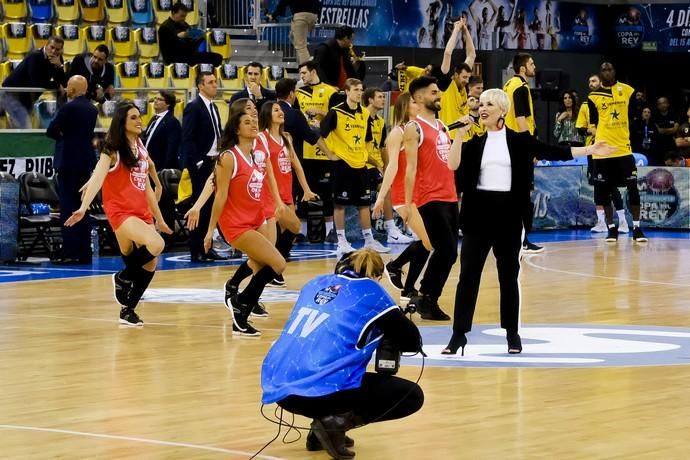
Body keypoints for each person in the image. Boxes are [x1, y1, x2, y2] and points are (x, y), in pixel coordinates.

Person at [443, 88, 615, 355]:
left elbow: (554, 151)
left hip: (509, 215)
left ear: (502, 110)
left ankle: (512, 333)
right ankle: (458, 334)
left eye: (489, 104)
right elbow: (453, 166)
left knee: (509, 276)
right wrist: (458, 135)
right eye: (480, 104)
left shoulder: (520, 140)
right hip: (478, 216)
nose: (482, 108)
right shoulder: (473, 143)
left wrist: (591, 148)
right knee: (467, 277)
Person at [261, 249, 424, 460]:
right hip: (317, 392)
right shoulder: (372, 293)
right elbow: (412, 342)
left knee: (336, 363)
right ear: (378, 277)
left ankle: (324, 426)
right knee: (411, 396)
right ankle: (332, 423)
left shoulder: (315, 283)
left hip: (279, 388)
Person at [64, 101, 173, 326]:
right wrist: (83, 208)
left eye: (139, 116)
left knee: (150, 264)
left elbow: (146, 187)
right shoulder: (111, 148)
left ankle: (128, 310)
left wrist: (159, 218)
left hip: (141, 210)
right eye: (133, 117)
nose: (139, 120)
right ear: (122, 122)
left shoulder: (141, 147)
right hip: (120, 210)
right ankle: (122, 277)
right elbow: (97, 179)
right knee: (157, 244)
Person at [205, 108, 287, 336]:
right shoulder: (228, 157)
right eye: (247, 122)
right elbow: (219, 196)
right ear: (236, 128)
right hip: (236, 224)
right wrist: (211, 230)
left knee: (261, 264)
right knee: (278, 264)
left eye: (254, 121)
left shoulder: (254, 156)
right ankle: (241, 304)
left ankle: (237, 297)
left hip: (256, 219)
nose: (253, 124)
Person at [403, 76, 458, 321]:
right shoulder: (413, 128)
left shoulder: (443, 125)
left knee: (450, 251)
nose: (439, 95)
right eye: (433, 92)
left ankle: (425, 297)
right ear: (418, 97)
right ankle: (426, 298)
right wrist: (407, 205)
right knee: (445, 248)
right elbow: (410, 168)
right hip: (429, 197)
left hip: (449, 195)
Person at [372, 92, 432, 304]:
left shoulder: (419, 131)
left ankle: (407, 289)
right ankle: (395, 266)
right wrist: (381, 197)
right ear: (405, 106)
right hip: (403, 195)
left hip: (421, 193)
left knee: (426, 242)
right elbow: (392, 166)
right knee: (428, 240)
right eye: (415, 102)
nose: (419, 105)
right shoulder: (397, 133)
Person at [320, 78, 390, 256]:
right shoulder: (335, 113)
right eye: (356, 90)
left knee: (363, 204)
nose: (359, 93)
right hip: (342, 164)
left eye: (361, 90)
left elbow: (367, 141)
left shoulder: (365, 114)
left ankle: (369, 240)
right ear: (347, 92)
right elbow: (319, 135)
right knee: (340, 205)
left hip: (361, 166)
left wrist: (375, 164)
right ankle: (341, 241)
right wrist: (330, 155)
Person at [588, 62, 647, 243]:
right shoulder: (593, 96)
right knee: (605, 191)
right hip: (603, 152)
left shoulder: (627, 90)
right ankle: (611, 229)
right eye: (604, 69)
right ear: (600, 73)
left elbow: (638, 110)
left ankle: (636, 228)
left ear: (615, 71)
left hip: (623, 149)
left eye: (610, 69)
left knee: (633, 188)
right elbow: (593, 123)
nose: (607, 72)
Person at [47, 75, 98, 265]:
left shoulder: (68, 107)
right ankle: (85, 252)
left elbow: (51, 130)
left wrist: (63, 134)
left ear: (74, 88)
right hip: (85, 162)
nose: (66, 87)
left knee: (68, 207)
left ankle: (70, 252)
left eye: (68, 84)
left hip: (68, 162)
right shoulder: (92, 109)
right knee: (82, 208)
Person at [181, 71, 228, 263]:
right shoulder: (193, 107)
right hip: (202, 164)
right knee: (199, 207)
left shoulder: (214, 107)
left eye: (215, 82)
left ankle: (207, 246)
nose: (214, 85)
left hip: (214, 161)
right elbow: (188, 137)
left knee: (211, 207)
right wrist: (197, 162)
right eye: (210, 82)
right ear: (200, 86)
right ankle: (196, 249)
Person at [576, 73, 626, 233]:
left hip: (612, 149)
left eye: (594, 80)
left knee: (612, 186)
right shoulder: (585, 105)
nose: (591, 83)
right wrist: (589, 130)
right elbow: (580, 128)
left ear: (602, 82)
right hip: (594, 150)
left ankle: (623, 222)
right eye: (589, 81)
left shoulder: (614, 102)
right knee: (598, 186)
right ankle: (602, 222)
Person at [503, 53, 543, 253]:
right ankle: (522, 241)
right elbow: (521, 119)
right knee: (523, 197)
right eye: (531, 64)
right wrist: (530, 147)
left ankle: (514, 239)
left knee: (513, 196)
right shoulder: (520, 87)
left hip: (508, 146)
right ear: (522, 68)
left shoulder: (508, 85)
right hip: (519, 149)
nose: (534, 67)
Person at [296, 61, 339, 243]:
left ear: (313, 72)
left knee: (327, 192)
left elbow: (336, 115)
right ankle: (302, 231)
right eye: (300, 74)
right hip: (305, 151)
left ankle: (331, 230)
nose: (302, 77)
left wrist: (320, 112)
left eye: (304, 73)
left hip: (325, 150)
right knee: (303, 191)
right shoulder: (298, 93)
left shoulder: (331, 92)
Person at [363, 86, 413, 245]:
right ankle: (391, 229)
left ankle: (403, 227)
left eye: (383, 97)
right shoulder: (362, 119)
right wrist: (378, 163)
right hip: (363, 163)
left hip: (377, 164)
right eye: (379, 97)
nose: (383, 100)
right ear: (370, 100)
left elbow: (383, 148)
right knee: (386, 190)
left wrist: (385, 165)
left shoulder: (380, 122)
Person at [1, 36, 65, 129]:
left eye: (57, 49)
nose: (54, 51)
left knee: (16, 129)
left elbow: (63, 82)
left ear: (61, 50)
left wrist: (59, 66)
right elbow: (37, 82)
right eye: (52, 47)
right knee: (26, 128)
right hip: (11, 95)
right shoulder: (35, 56)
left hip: (28, 99)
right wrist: (57, 85)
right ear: (46, 45)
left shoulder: (57, 60)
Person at [438, 19, 476, 140]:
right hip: (450, 138)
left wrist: (465, 31)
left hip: (466, 138)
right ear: (455, 75)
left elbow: (471, 55)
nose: (466, 81)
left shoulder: (463, 88)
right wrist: (456, 30)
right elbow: (448, 53)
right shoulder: (446, 85)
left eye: (468, 78)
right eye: (464, 77)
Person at [158, 2, 222, 66]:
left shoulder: (183, 24)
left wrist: (196, 36)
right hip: (175, 57)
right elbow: (168, 47)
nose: (183, 19)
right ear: (173, 13)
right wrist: (178, 37)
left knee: (217, 57)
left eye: (185, 16)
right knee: (214, 59)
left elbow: (191, 37)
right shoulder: (165, 27)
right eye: (181, 16)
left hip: (188, 54)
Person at [266, 0, 321, 66]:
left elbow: (283, 3)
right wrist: (317, 14)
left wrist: (273, 15)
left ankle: (307, 70)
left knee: (301, 47)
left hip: (301, 16)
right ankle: (304, 61)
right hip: (313, 16)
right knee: (292, 36)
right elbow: (318, 2)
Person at [313, 25, 365, 90]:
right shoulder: (324, 48)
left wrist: (359, 85)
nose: (352, 42)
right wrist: (328, 86)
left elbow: (350, 69)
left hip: (340, 87)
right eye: (352, 39)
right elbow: (317, 67)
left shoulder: (344, 49)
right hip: (325, 88)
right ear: (345, 38)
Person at [142, 90, 181, 170]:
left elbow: (172, 149)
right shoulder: (154, 119)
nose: (155, 101)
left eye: (159, 99)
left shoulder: (172, 122)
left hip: (160, 168)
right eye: (155, 98)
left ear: (168, 104)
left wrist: (165, 169)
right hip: (147, 165)